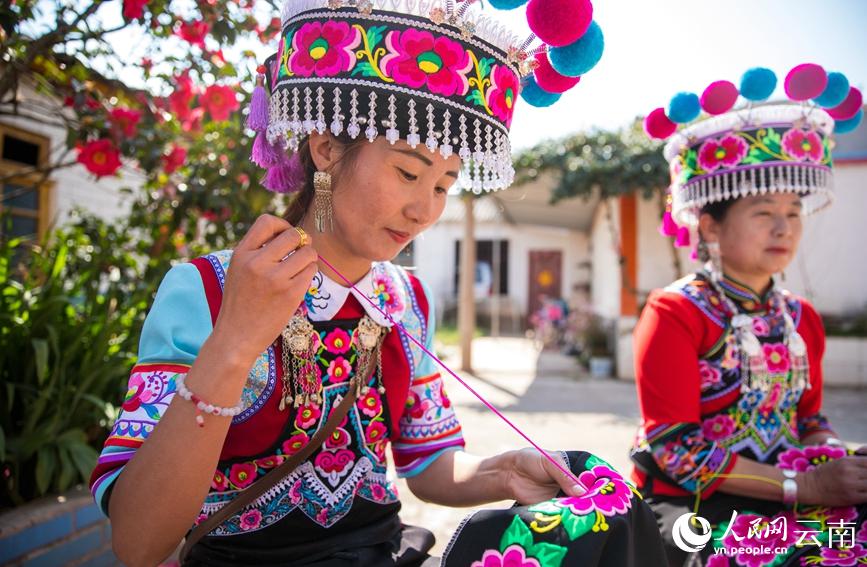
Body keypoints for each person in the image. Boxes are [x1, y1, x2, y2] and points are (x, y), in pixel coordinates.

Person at [89, 2, 665, 566]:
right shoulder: (208, 289)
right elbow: (138, 544)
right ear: (326, 149)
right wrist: (236, 341)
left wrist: (506, 470)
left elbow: (430, 463)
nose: (424, 210)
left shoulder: (406, 299)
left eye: (443, 186)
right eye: (408, 172)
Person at [632, 66, 867, 566]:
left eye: (794, 212)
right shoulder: (675, 311)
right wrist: (805, 484)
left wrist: (836, 458)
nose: (783, 227)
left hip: (794, 491)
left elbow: (809, 418)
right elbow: (677, 449)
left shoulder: (801, 318)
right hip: (692, 502)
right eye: (763, 211)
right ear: (711, 226)